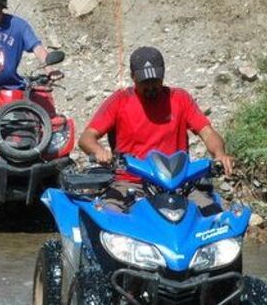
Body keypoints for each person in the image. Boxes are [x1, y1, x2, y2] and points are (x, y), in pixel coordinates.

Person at [78, 46, 235, 211]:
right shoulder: (120, 101)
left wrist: (220, 154)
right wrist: (99, 152)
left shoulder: (180, 99)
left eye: (155, 80)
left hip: (178, 184)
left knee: (216, 218)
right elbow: (86, 138)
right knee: (109, 217)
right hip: (131, 182)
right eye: (144, 82)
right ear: (133, 77)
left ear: (163, 75)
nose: (151, 87)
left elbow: (208, 133)